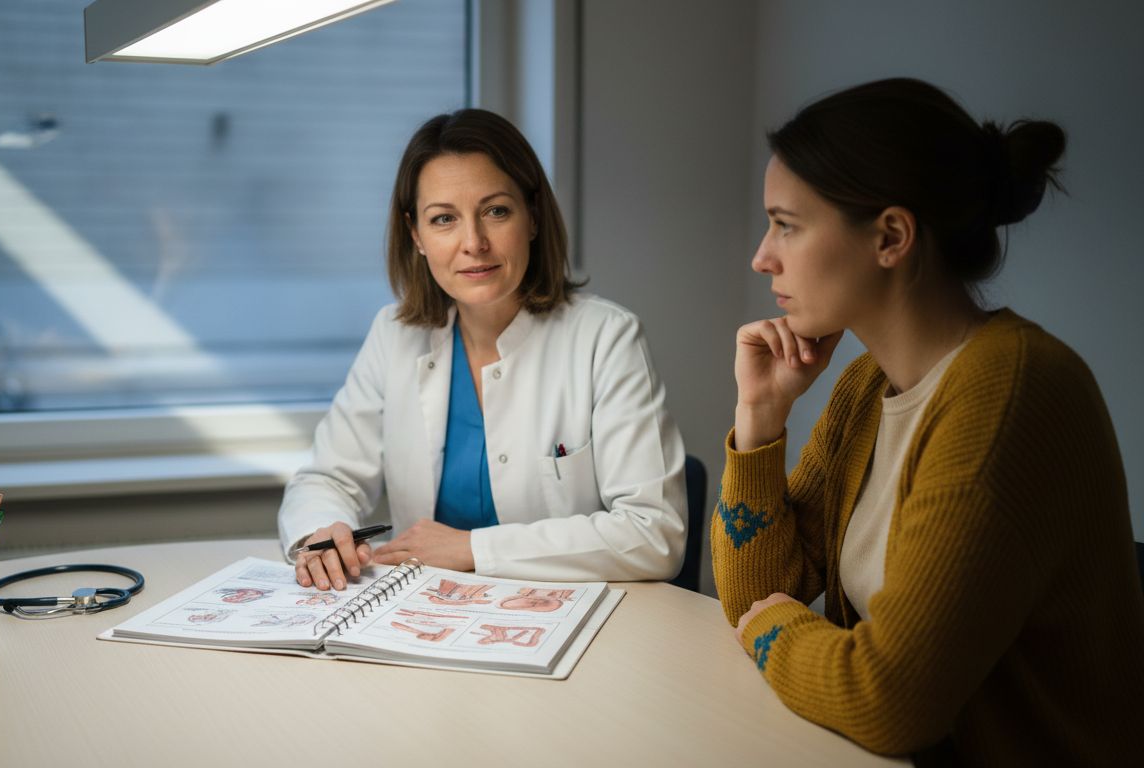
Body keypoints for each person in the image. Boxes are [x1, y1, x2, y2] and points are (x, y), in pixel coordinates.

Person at [712, 78, 1144, 764]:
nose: (763, 257)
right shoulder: (868, 384)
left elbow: (891, 703)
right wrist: (761, 416)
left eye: (786, 225)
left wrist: (778, 633)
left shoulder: (1012, 393)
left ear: (890, 237)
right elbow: (754, 596)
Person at [278, 108, 686, 591]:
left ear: (532, 216)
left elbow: (654, 532)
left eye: (496, 211)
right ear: (417, 236)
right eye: (444, 219)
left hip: (564, 621)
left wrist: (473, 549)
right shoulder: (393, 334)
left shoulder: (606, 338)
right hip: (430, 617)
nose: (474, 242)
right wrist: (320, 533)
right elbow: (327, 478)